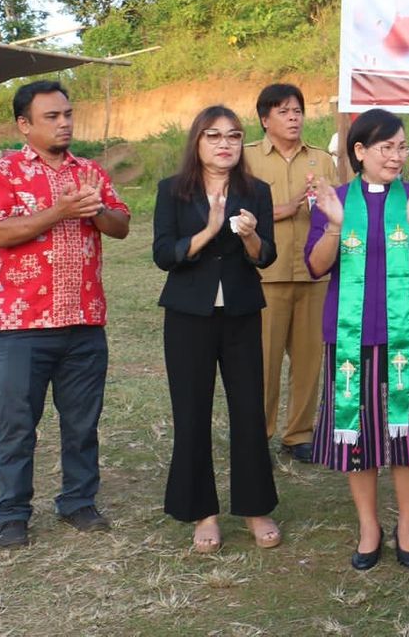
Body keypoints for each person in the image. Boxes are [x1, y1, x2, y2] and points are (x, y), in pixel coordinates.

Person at [0, 80, 131, 548]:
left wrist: (97, 210)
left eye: (67, 114)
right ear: (24, 125)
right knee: (18, 425)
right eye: (51, 117)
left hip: (84, 323)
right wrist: (58, 210)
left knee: (83, 422)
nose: (64, 123)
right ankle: (13, 513)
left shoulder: (90, 172)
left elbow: (121, 226)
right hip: (21, 327)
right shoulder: (1, 174)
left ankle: (79, 502)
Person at [307, 108, 409, 571]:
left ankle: (407, 526)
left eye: (401, 146)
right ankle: (369, 526)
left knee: (405, 433)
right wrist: (331, 223)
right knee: (358, 434)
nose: (396, 156)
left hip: (405, 335)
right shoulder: (338, 199)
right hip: (349, 338)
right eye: (385, 147)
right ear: (360, 151)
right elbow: (316, 266)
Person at [153, 106, 281, 553]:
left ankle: (254, 507)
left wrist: (249, 237)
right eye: (213, 136)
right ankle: (202, 511)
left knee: (248, 411)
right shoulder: (173, 191)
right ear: (197, 142)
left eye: (233, 136)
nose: (224, 143)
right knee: (192, 413)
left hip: (242, 312)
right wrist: (208, 230)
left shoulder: (256, 191)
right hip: (189, 315)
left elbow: (267, 255)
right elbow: (164, 254)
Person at [245, 83, 339, 464]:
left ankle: (298, 434)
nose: (294, 117)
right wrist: (280, 209)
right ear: (265, 119)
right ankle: (258, 434)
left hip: (315, 274)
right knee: (262, 362)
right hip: (266, 275)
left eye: (297, 110)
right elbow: (238, 213)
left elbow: (337, 206)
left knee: (308, 361)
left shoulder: (321, 160)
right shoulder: (247, 160)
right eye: (283, 111)